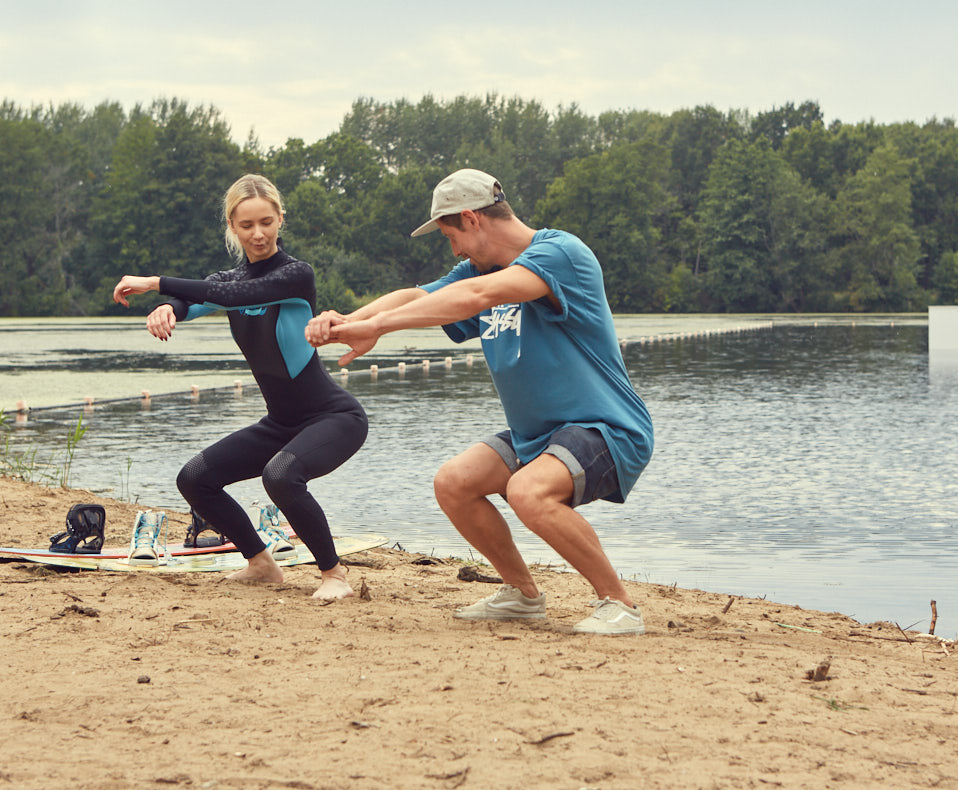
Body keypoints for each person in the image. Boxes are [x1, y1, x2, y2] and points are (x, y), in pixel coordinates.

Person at [305, 168, 653, 634]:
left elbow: (476, 296)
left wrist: (379, 327)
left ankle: (619, 603)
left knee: (527, 492)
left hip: (608, 428)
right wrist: (352, 319)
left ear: (471, 218)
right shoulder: (478, 270)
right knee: (454, 483)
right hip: (539, 437)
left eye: (452, 236)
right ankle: (522, 595)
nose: (455, 251)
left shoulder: (559, 254)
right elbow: (419, 294)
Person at [112, 174, 368, 601]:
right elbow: (198, 299)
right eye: (246, 225)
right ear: (232, 226)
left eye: (266, 222)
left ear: (280, 220)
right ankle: (261, 563)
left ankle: (334, 575)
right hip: (281, 423)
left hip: (335, 418)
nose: (258, 233)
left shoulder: (295, 276)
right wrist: (166, 308)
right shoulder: (227, 280)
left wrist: (154, 282)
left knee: (281, 475)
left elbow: (229, 295)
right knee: (195, 479)